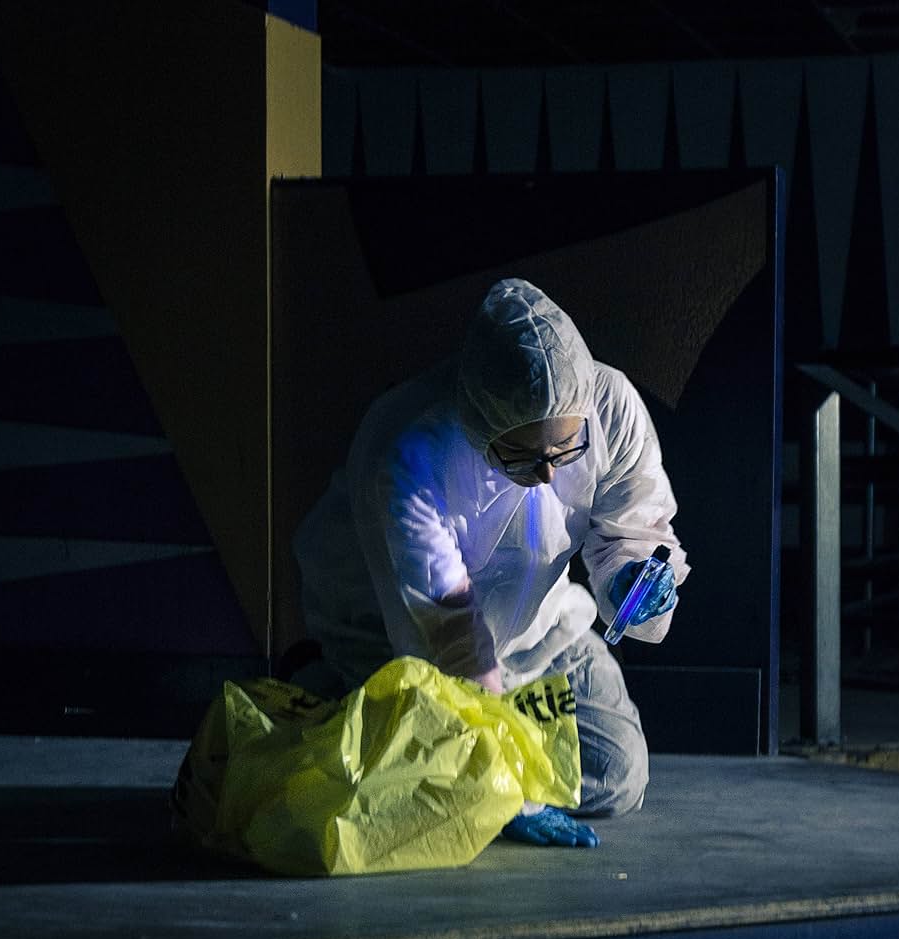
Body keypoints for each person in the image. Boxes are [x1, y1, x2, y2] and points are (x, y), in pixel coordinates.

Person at [291, 278, 689, 849]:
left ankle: (458, 766)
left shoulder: (610, 406)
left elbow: (633, 524)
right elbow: (448, 639)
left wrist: (632, 571)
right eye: (523, 454)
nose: (550, 473)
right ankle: (328, 688)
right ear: (481, 425)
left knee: (619, 775)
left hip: (541, 629)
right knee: (382, 797)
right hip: (394, 637)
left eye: (565, 449)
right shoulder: (410, 452)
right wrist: (508, 790)